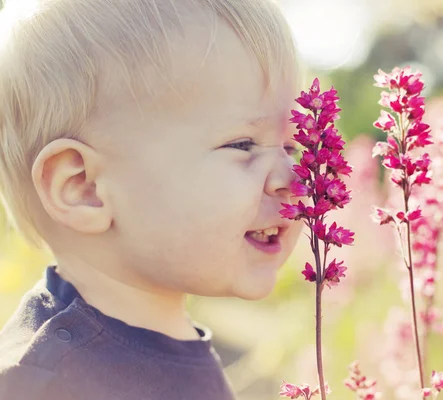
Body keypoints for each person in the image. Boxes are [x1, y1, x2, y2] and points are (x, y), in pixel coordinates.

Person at [0, 0, 303, 398]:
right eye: (243, 144)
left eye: (292, 147)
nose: (295, 180)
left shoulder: (169, 344)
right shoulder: (40, 383)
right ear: (83, 187)